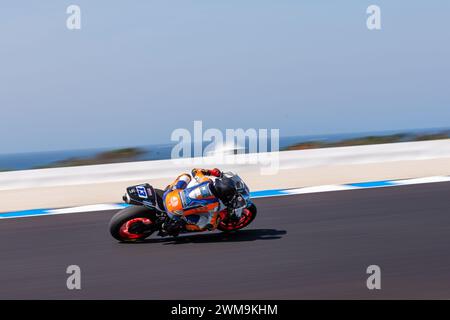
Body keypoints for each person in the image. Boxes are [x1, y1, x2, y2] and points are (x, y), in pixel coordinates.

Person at [161, 168, 244, 236]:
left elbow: (195, 171)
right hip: (174, 213)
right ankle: (181, 225)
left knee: (186, 176)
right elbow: (211, 225)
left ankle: (170, 188)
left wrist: (214, 173)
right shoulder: (215, 204)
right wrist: (221, 216)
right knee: (204, 224)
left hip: (168, 195)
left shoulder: (206, 180)